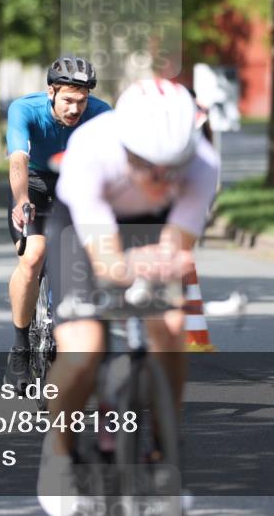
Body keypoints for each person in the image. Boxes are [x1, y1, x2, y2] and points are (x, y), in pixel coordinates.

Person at [38, 78, 220, 515]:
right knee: (83, 347)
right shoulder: (91, 150)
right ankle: (59, 458)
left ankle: (163, 452)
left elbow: (177, 247)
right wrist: (120, 270)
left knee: (171, 327)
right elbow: (105, 260)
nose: (162, 178)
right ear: (125, 146)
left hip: (153, 225)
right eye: (149, 165)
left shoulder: (203, 164)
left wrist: (162, 269)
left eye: (173, 167)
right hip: (82, 225)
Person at [4, 56, 111, 391]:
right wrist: (21, 199)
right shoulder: (25, 109)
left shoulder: (102, 114)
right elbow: (18, 160)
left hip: (76, 183)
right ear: (51, 91)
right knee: (33, 255)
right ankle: (20, 347)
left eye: (81, 101)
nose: (75, 109)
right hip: (34, 182)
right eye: (67, 100)